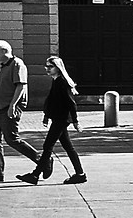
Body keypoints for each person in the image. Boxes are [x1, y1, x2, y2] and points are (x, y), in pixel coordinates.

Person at [15, 55, 85, 186]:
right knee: (68, 147)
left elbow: (71, 103)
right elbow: (52, 101)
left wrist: (76, 121)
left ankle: (35, 175)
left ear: (58, 68)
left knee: (48, 146)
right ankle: (80, 174)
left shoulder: (62, 82)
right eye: (46, 66)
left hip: (61, 119)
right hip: (58, 118)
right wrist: (47, 116)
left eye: (50, 66)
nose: (47, 69)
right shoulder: (56, 80)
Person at [0, 41, 38, 183]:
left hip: (7, 108)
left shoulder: (17, 64)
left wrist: (13, 105)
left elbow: (20, 86)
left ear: (4, 51)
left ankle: (43, 160)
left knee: (12, 139)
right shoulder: (4, 65)